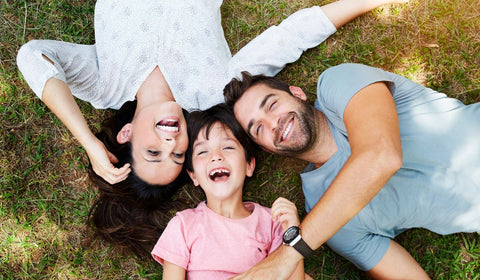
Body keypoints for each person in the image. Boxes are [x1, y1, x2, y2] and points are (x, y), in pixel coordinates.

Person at [16, 0, 407, 255]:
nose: (172, 140)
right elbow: (287, 39)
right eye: (178, 154)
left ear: (126, 135)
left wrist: (86, 140)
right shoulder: (211, 92)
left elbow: (33, 56)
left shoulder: (103, 84)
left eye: (154, 150)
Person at [223, 63, 480, 279]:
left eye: (271, 105)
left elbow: (382, 155)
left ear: (297, 93)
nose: (273, 123)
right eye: (258, 129)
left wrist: (287, 255)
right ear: (267, 149)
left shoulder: (338, 84)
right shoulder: (327, 221)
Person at [151, 104, 307, 279]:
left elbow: (290, 272)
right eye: (202, 151)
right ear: (193, 175)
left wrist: (293, 233)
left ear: (249, 165)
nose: (216, 156)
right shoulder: (183, 225)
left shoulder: (273, 222)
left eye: (228, 147)